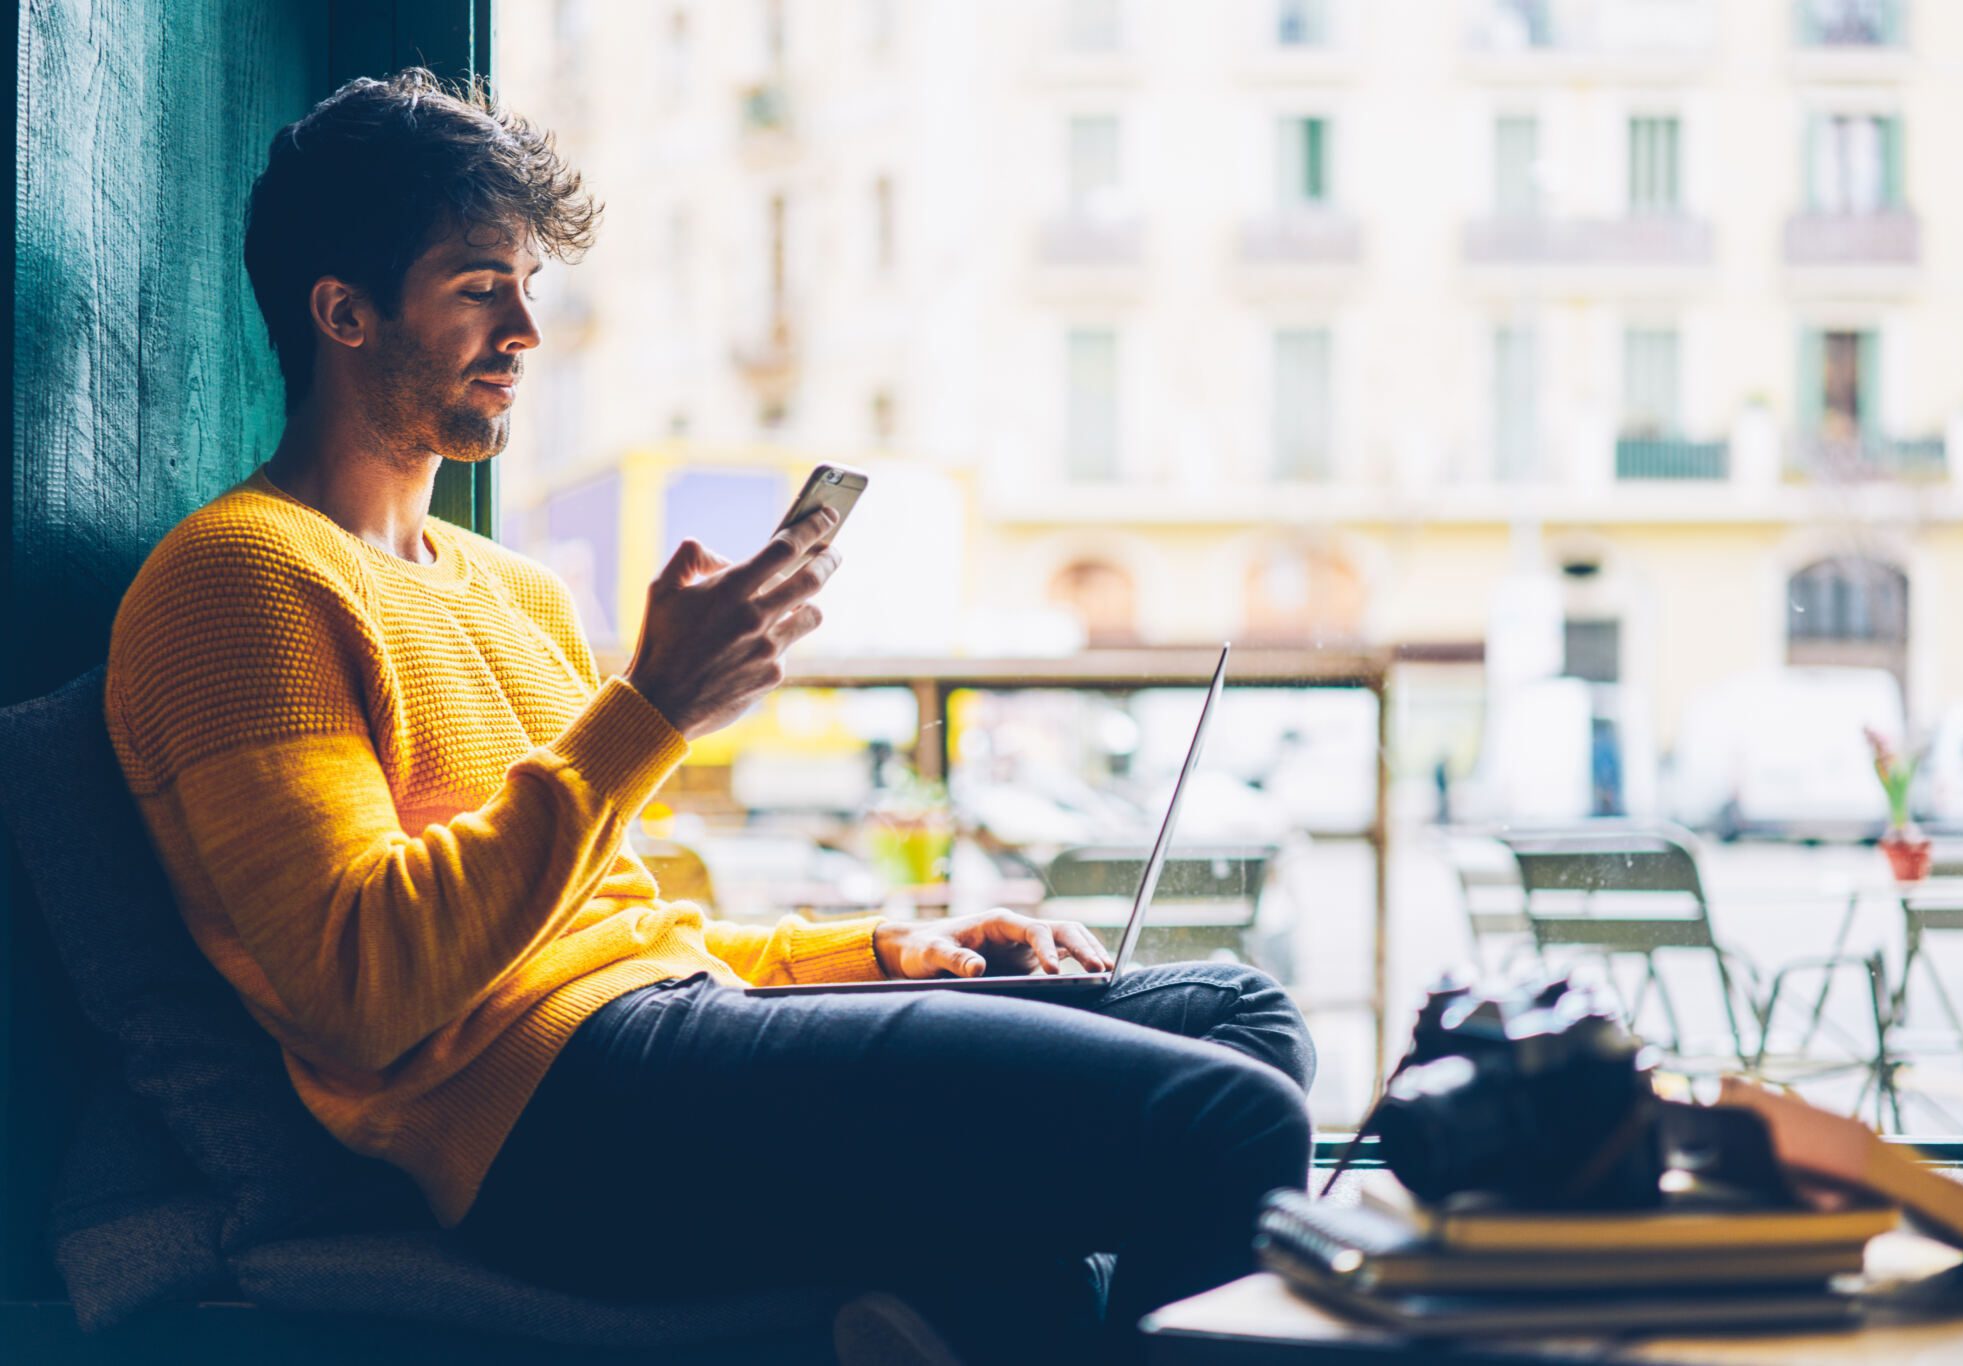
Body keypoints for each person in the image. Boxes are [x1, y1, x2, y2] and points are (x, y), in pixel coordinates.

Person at [104, 70, 1314, 1365]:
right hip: (555, 1134)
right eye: (476, 286)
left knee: (1247, 1020)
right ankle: (969, 1298)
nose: (523, 327)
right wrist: (653, 709)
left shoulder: (511, 589)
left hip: (666, 1042)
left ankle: (962, 1307)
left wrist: (883, 951)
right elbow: (361, 987)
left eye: (526, 285)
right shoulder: (240, 579)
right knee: (1221, 1119)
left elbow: (638, 934)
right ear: (343, 313)